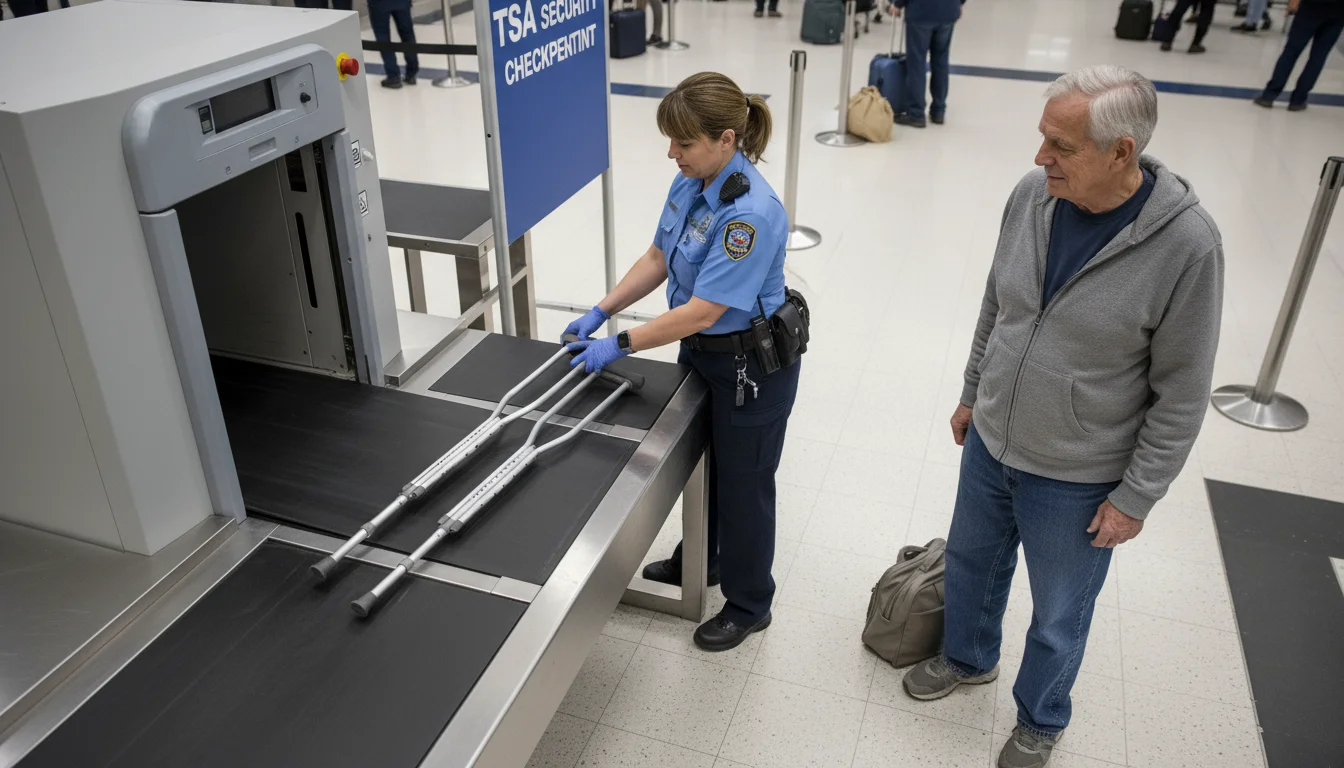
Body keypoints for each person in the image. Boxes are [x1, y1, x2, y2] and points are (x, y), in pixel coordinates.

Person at [902, 65, 1223, 768]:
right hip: (994, 439)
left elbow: (1183, 391)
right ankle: (966, 657)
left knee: (1057, 613)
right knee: (971, 563)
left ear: (1121, 152)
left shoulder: (1187, 247)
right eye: (1043, 138)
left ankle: (1041, 718)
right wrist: (971, 391)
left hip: (1080, 475)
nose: (1040, 157)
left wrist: (1136, 497)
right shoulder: (1033, 197)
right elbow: (998, 303)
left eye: (1061, 146)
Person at [563, 72, 800, 652]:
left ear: (725, 138)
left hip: (750, 367)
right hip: (702, 353)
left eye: (683, 143)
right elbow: (657, 256)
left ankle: (749, 604)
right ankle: (705, 558)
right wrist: (602, 308)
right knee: (703, 464)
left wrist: (619, 344)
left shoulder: (750, 214)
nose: (672, 153)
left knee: (744, 484)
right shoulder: (693, 181)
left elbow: (703, 310)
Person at [1253, 0, 1344, 111]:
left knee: (1291, 52)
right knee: (1319, 56)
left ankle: (1269, 95)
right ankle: (1298, 100)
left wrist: (1293, 2)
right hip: (1339, 11)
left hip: (1311, 7)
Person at [886, 0, 964, 128]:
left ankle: (916, 114)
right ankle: (938, 111)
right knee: (941, 62)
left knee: (916, 63)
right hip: (948, 11)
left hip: (921, 12)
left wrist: (897, 4)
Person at [368, 0, 420, 88]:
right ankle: (411, 74)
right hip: (402, 2)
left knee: (382, 36)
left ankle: (393, 76)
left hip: (379, 4)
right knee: (407, 34)